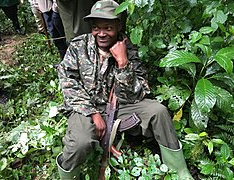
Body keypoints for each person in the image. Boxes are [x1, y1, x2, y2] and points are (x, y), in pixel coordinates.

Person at [56, 1, 194, 179]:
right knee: (80, 143)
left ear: (119, 26)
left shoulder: (128, 49)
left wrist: (123, 63)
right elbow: (68, 82)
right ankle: (69, 176)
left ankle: (180, 170)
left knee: (158, 111)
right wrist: (92, 113)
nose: (101, 33)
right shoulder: (78, 46)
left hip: (120, 106)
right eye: (96, 28)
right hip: (85, 109)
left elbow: (138, 93)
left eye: (108, 27)